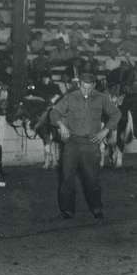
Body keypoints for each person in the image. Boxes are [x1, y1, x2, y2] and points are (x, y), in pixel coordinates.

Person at [49, 72, 120, 219]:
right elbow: (54, 113)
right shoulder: (70, 97)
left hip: (91, 144)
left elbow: (116, 114)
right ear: (79, 84)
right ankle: (67, 210)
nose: (86, 91)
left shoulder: (101, 98)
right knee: (67, 178)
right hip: (72, 143)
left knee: (92, 179)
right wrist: (61, 125)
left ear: (94, 85)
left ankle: (96, 207)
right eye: (83, 87)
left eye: (89, 88)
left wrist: (105, 131)